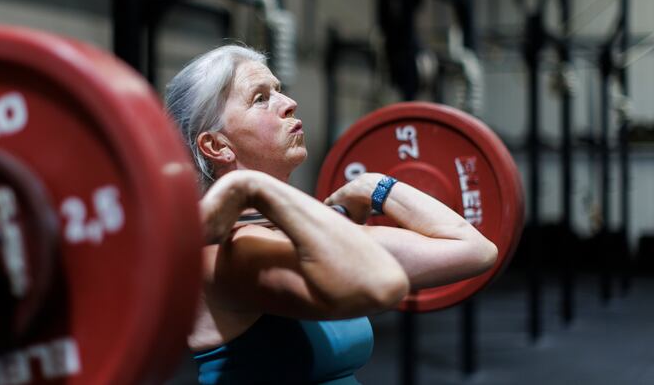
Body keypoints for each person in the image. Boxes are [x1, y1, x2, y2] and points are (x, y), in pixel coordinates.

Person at [165, 44, 498, 385]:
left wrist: (374, 186)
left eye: (279, 90)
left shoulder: (293, 233)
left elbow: (475, 249)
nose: (288, 103)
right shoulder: (229, 254)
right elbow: (380, 285)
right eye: (261, 98)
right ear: (217, 146)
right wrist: (254, 187)